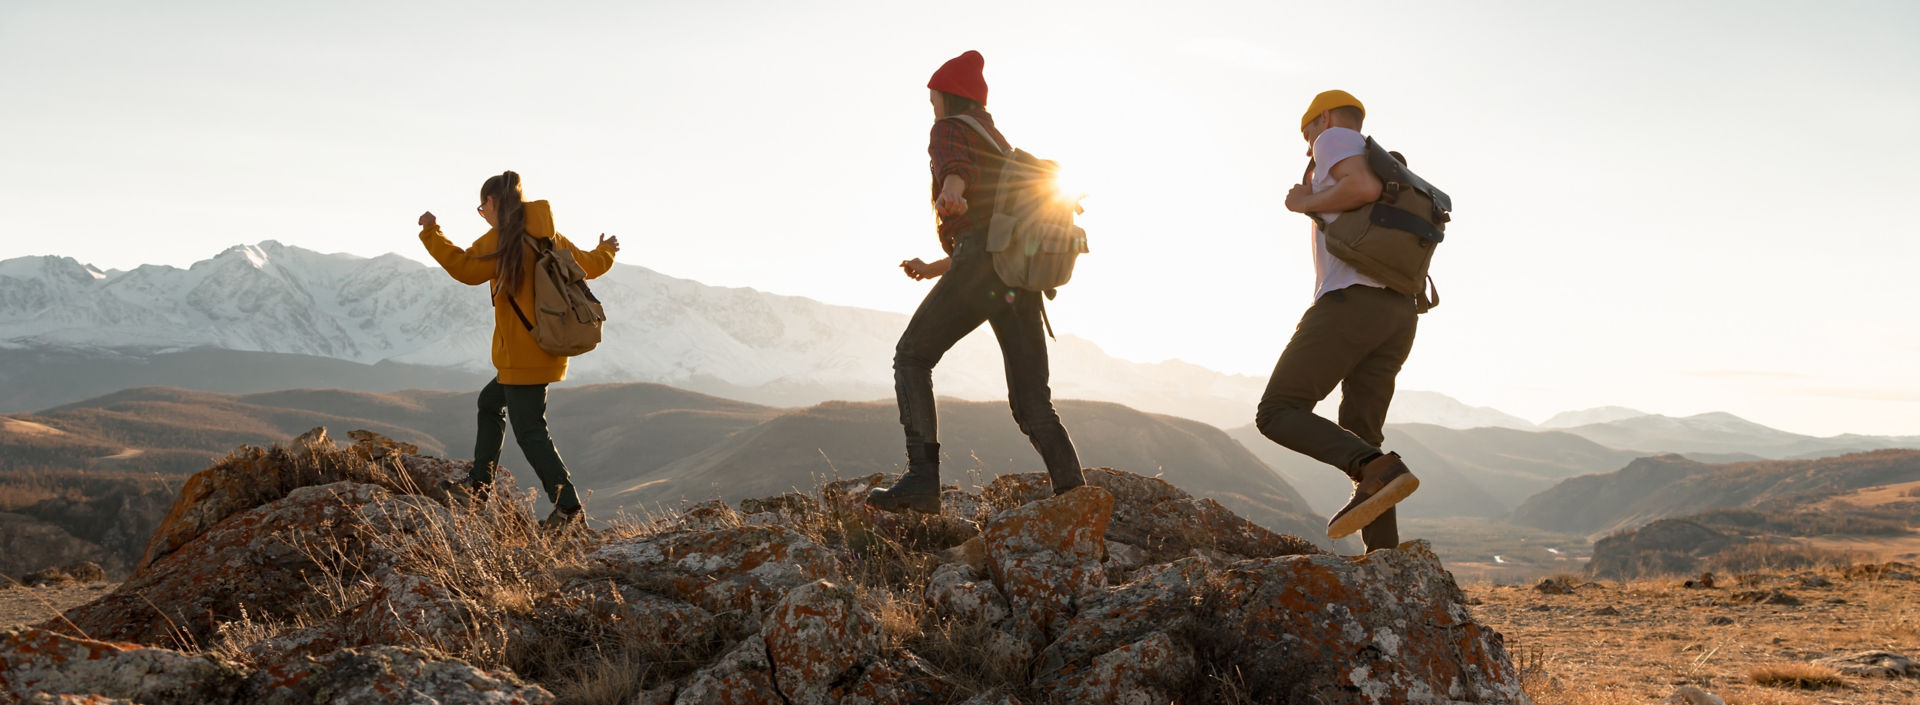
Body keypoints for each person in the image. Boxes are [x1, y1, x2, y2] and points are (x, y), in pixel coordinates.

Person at [867, 51, 1085, 513]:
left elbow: (954, 168)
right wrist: (934, 267)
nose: (932, 109)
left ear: (948, 97)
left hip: (985, 270)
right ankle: (1075, 498)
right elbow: (997, 236)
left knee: (911, 356)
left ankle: (921, 480)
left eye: (933, 101)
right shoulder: (1000, 143)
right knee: (1032, 403)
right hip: (1016, 280)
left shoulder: (950, 130)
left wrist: (950, 190)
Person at [1257, 90, 1421, 552]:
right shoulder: (1377, 159)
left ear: (1324, 117)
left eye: (1307, 132)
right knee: (1363, 433)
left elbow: (1363, 190)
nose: (1308, 146)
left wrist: (1302, 202)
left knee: (1277, 411)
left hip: (1351, 304)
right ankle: (1387, 561)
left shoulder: (1336, 139)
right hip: (1398, 311)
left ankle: (1374, 467)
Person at [416, 171, 619, 529]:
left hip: (524, 355)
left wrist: (432, 233)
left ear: (493, 203)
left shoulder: (503, 241)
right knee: (490, 403)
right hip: (544, 348)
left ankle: (569, 511)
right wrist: (607, 250)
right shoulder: (548, 235)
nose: (483, 214)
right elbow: (588, 265)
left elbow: (463, 267)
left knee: (530, 432)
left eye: (482, 208)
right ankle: (479, 487)